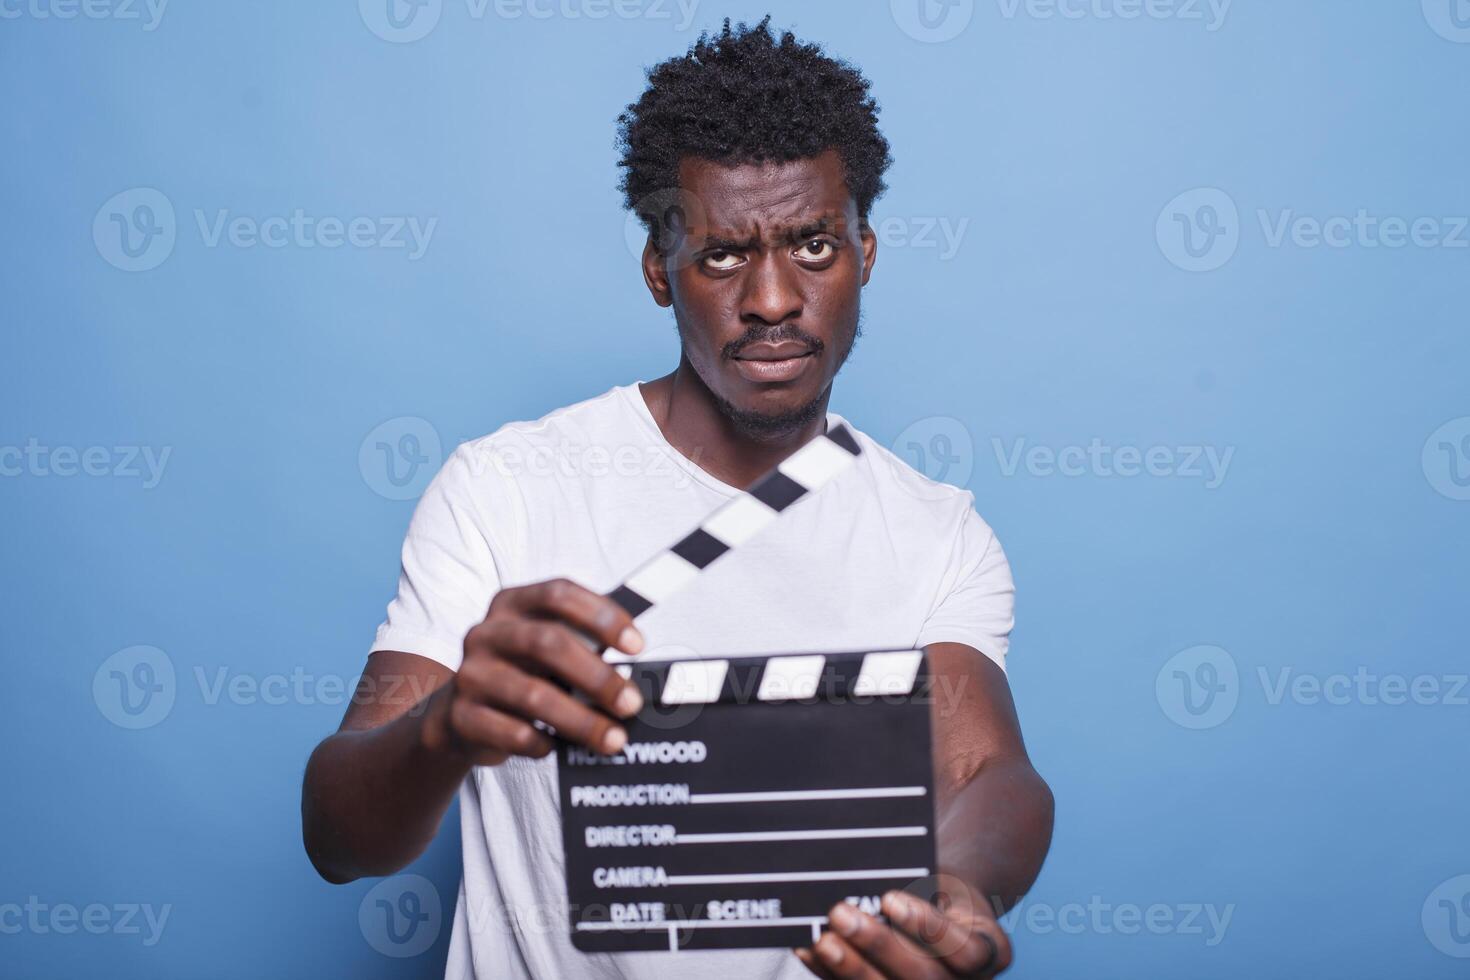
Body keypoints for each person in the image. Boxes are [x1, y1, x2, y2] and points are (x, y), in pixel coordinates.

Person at [302, 17, 1053, 979]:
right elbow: (339, 836)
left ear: (868, 252)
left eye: (814, 245)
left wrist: (966, 888)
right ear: (660, 270)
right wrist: (443, 727)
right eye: (724, 256)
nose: (775, 299)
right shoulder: (507, 487)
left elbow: (987, 772)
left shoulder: (935, 531)